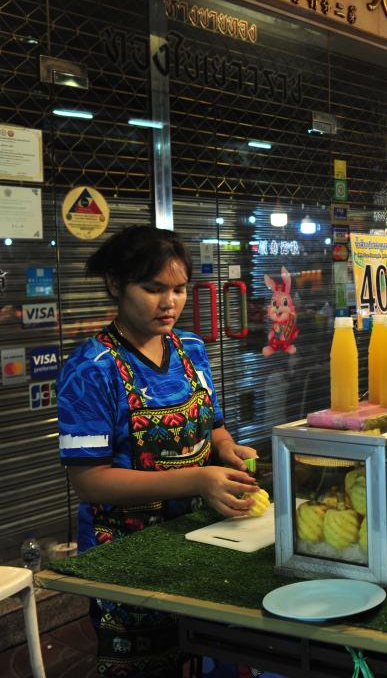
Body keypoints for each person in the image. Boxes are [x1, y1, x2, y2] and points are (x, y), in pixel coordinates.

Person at [58, 225, 260, 676]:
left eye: (179, 289)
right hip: (128, 554)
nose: (169, 303)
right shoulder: (90, 370)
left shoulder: (190, 349)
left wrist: (227, 451)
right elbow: (90, 482)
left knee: (217, 653)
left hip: (201, 534)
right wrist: (197, 478)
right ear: (116, 285)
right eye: (152, 289)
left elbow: (215, 425)